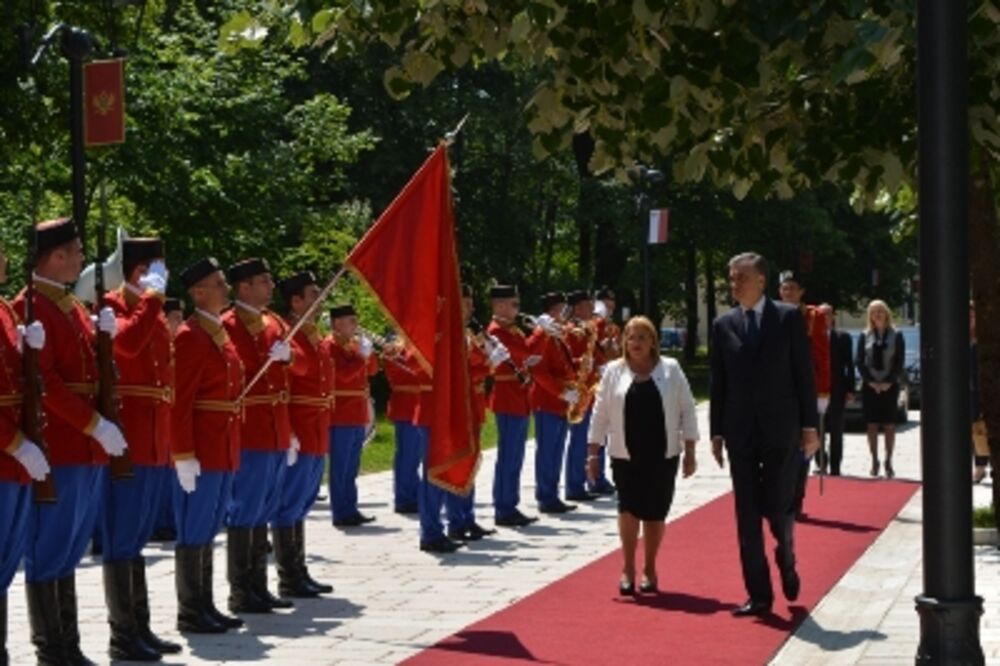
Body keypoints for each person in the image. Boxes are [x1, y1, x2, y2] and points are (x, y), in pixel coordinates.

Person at [15, 218, 129, 663]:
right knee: (49, 549)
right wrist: (92, 425)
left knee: (69, 549)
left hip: (85, 448)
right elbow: (46, 383)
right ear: (57, 256)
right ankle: (51, 648)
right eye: (77, 252)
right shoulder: (33, 307)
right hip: (62, 444)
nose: (83, 259)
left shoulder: (68, 306)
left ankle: (69, 643)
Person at [709, 252, 819, 617]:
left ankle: (786, 555)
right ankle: (759, 594)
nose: (733, 283)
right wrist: (716, 432)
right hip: (740, 431)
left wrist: (809, 427)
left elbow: (803, 374)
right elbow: (718, 382)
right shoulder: (723, 325)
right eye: (730, 277)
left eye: (740, 276)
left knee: (776, 505)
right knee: (746, 513)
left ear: (760, 280)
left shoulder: (787, 318)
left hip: (780, 430)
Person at [99, 238, 180, 659]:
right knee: (122, 537)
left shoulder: (145, 306)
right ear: (139, 273)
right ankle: (122, 633)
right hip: (128, 440)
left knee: (138, 538)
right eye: (156, 270)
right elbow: (126, 345)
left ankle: (140, 627)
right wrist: (151, 298)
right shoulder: (112, 305)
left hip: (153, 440)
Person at [587, 316, 698, 595]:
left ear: (653, 342)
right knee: (627, 508)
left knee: (655, 511)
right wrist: (592, 453)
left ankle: (650, 567)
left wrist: (690, 451)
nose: (635, 343)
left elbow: (688, 408)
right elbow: (599, 413)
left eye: (642, 337)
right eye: (631, 337)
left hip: (663, 454)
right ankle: (627, 567)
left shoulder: (670, 369)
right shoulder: (613, 371)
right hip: (625, 453)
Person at [172, 258, 244, 634]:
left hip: (223, 445)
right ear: (198, 292)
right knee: (195, 527)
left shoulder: (217, 334)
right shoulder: (190, 335)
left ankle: (205, 603)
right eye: (218, 284)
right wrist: (183, 454)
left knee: (211, 526)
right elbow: (180, 402)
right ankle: (189, 609)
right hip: (201, 449)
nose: (225, 288)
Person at [223, 258, 299, 614]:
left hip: (275, 427)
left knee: (265, 508)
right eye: (263, 282)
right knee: (246, 510)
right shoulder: (227, 325)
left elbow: (297, 364)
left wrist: (288, 358)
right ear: (244, 288)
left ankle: (259, 586)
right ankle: (241, 590)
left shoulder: (275, 322)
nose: (271, 287)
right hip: (250, 428)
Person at [0, 242, 50, 665]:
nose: (3, 260)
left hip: (15, 456)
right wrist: (16, 445)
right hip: (6, 451)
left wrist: (28, 350)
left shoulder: (6, 311)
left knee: (6, 560)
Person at [273, 271, 335, 597]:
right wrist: (291, 432)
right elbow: (285, 386)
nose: (319, 299)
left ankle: (299, 569)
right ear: (295, 301)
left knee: (304, 502)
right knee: (289, 503)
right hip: (301, 428)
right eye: (312, 294)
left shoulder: (313, 334)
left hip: (318, 429)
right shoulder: (290, 335)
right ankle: (288, 575)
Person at [444, 284, 507, 542]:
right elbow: (462, 374)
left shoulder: (469, 335)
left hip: (475, 403)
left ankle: (467, 516)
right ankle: (455, 520)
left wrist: (490, 359)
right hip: (461, 404)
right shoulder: (451, 336)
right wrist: (491, 364)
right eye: (465, 304)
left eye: (471, 304)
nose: (470, 309)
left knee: (471, 463)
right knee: (460, 462)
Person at [487, 285, 540, 527]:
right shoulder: (495, 331)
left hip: (519, 397)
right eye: (514, 305)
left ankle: (511, 504)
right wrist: (539, 334)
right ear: (499, 306)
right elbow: (521, 351)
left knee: (516, 456)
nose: (517, 309)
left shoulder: (513, 329)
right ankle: (503, 507)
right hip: (507, 397)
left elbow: (526, 352)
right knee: (508, 456)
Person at [777, 271, 829, 519]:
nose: (788, 293)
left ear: (801, 292)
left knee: (804, 449)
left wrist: (822, 390)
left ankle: (796, 501)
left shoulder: (812, 316)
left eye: (792, 289)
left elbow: (821, 354)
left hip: (804, 389)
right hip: (778, 391)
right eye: (784, 288)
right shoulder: (770, 313)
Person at [327, 304, 379, 527]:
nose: (356, 326)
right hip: (341, 412)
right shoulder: (330, 346)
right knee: (340, 466)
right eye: (352, 321)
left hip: (356, 411)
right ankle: (340, 511)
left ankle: (351, 507)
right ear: (337, 323)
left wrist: (369, 354)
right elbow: (343, 376)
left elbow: (372, 371)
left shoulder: (351, 345)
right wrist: (361, 358)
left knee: (351, 466)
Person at [529, 291, 579, 514]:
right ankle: (545, 496)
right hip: (547, 400)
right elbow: (539, 372)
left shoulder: (557, 336)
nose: (565, 314)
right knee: (547, 451)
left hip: (559, 401)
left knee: (557, 450)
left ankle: (552, 494)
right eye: (561, 309)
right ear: (551, 312)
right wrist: (561, 392)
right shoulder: (544, 336)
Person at [855, 300, 905, 478]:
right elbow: (859, 361)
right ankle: (874, 460)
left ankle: (888, 461)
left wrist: (888, 382)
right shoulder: (865, 335)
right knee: (872, 425)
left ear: (886, 313)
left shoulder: (897, 334)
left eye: (880, 311)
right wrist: (870, 382)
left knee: (890, 425)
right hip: (870, 386)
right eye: (874, 312)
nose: (877, 315)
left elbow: (899, 361)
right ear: (870, 315)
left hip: (890, 386)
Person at [150, 297, 185, 543]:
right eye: (175, 318)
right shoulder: (161, 346)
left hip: (170, 412)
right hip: (161, 413)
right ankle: (160, 522)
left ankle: (170, 519)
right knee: (162, 473)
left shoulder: (177, 346)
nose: (179, 323)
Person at [563, 290, 602, 502]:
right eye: (588, 306)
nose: (592, 309)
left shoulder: (588, 328)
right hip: (579, 390)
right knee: (578, 441)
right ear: (578, 308)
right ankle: (573, 485)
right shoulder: (572, 330)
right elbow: (568, 358)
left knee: (586, 440)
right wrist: (582, 362)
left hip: (589, 389)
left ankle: (583, 481)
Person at [587, 286, 619, 495]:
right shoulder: (593, 324)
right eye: (605, 305)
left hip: (607, 383)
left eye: (611, 306)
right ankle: (591, 478)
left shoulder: (611, 327)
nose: (609, 309)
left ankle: (600, 477)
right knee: (592, 437)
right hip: (591, 386)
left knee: (606, 436)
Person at [385, 340, 422, 514]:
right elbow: (398, 376)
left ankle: (413, 494)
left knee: (415, 455)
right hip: (406, 406)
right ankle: (405, 498)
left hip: (418, 405)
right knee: (407, 455)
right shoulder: (397, 350)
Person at [819, 303, 854, 476]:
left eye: (828, 314)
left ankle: (835, 468)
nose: (825, 318)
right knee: (818, 430)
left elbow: (849, 364)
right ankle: (821, 462)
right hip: (817, 391)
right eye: (821, 315)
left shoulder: (843, 337)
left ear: (833, 316)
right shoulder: (812, 337)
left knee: (836, 431)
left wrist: (850, 389)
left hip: (837, 390)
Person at [971, 301, 990, 483]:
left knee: (981, 428)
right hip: (967, 391)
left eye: (972, 315)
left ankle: (981, 466)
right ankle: (979, 467)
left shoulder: (986, 340)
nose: (970, 319)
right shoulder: (958, 340)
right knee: (973, 430)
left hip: (983, 389)